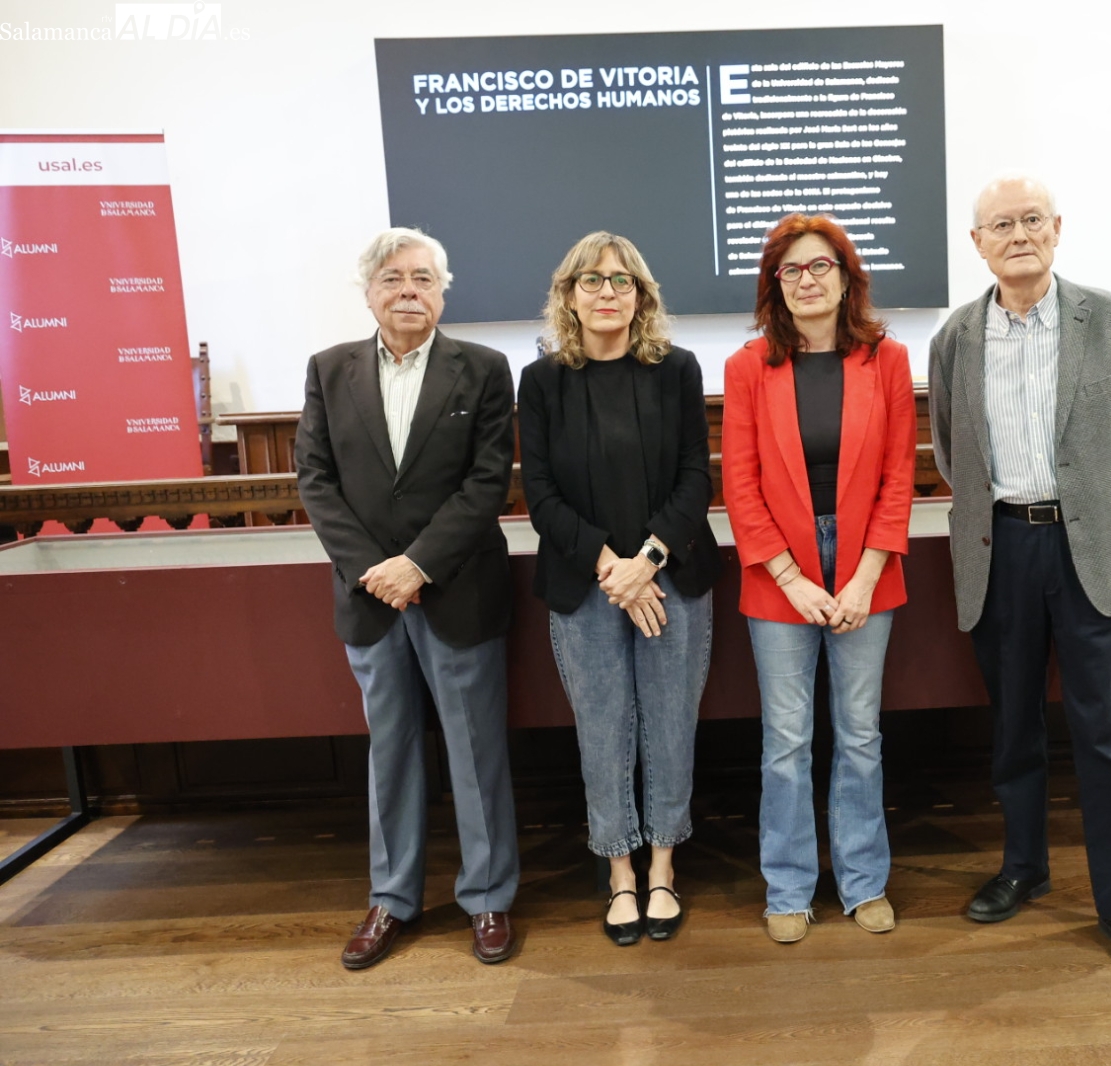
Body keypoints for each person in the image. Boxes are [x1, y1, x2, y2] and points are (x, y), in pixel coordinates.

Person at [928, 174, 1111, 976]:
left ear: (1058, 228)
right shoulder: (957, 337)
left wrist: (1093, 506)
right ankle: (1024, 868)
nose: (1019, 234)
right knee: (1014, 730)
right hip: (1001, 548)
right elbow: (949, 452)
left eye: (1032, 219)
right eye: (1001, 224)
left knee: (1109, 734)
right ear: (978, 244)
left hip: (1090, 550)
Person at [296, 227, 520, 969]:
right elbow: (317, 483)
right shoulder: (328, 371)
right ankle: (391, 900)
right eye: (393, 279)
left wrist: (418, 565)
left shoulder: (484, 370)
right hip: (369, 599)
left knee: (475, 751)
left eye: (423, 279)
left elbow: (487, 483)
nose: (408, 292)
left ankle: (488, 898)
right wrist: (377, 571)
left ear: (443, 291)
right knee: (389, 753)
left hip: (456, 589)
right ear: (369, 292)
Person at [518, 232, 720, 946]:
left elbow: (697, 476)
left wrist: (649, 560)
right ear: (569, 295)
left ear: (643, 295)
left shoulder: (677, 370)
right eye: (592, 281)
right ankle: (620, 874)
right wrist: (614, 568)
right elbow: (539, 494)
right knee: (604, 734)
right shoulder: (542, 382)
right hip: (585, 588)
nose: (608, 293)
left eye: (622, 281)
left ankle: (662, 866)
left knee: (669, 726)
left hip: (675, 580)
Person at [722, 214, 916, 944]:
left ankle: (864, 882)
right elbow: (740, 486)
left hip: (868, 564)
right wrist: (790, 578)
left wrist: (864, 577)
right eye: (791, 270)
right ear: (776, 284)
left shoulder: (886, 360)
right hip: (780, 571)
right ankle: (789, 885)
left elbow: (900, 477)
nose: (807, 281)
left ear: (845, 277)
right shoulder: (748, 367)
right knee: (787, 739)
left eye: (820, 267)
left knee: (860, 735)